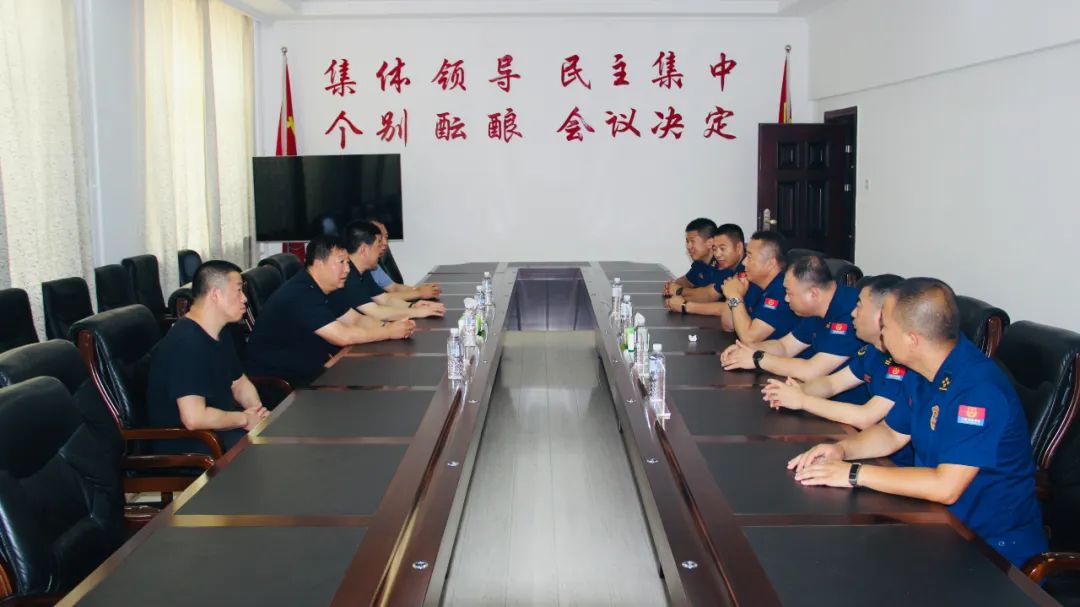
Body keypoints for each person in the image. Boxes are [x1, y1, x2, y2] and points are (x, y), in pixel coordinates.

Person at [788, 278, 1046, 568]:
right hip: (934, 522)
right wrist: (842, 450)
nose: (880, 333)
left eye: (885, 326)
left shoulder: (977, 391)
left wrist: (854, 473)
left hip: (988, 550)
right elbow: (890, 433)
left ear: (912, 339)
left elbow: (945, 487)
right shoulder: (923, 368)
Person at [762, 274, 916, 465]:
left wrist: (803, 401)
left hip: (890, 463)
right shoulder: (873, 350)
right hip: (861, 446)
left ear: (882, 316)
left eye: (859, 306)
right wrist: (796, 391)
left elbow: (866, 417)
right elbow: (832, 383)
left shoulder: (904, 362)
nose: (853, 313)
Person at [244, 234, 415, 386]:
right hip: (280, 381)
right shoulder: (300, 293)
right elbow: (342, 336)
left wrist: (390, 327)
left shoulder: (327, 287)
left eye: (347, 262)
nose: (347, 269)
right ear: (319, 264)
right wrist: (389, 333)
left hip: (314, 364)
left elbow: (356, 319)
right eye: (341, 262)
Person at [147, 260, 269, 454]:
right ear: (215, 294)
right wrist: (245, 419)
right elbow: (194, 418)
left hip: (217, 429)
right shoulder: (187, 342)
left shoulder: (220, 331)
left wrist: (258, 413)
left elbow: (239, 383)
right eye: (238, 291)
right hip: (188, 441)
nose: (244, 299)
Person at [720, 255, 868, 402]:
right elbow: (785, 346)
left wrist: (757, 358)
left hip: (844, 406)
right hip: (813, 396)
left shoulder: (851, 313)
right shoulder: (816, 307)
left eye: (789, 293)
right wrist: (749, 349)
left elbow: (812, 370)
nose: (786, 299)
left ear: (813, 293)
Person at [333, 221, 447, 320]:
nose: (381, 249)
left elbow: (385, 299)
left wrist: (412, 306)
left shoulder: (364, 271)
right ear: (364, 249)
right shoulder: (348, 275)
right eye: (378, 244)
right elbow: (376, 312)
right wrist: (416, 312)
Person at [665, 223, 747, 313]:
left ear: (739, 247)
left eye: (722, 249)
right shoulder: (729, 265)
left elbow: (726, 306)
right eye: (715, 249)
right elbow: (730, 306)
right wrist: (674, 291)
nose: (717, 254)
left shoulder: (745, 269)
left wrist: (684, 304)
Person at [368, 219, 441, 301]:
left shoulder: (374, 266)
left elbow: (394, 288)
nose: (385, 243)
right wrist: (419, 293)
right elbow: (381, 300)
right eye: (380, 239)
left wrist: (419, 289)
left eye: (386, 237)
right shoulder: (361, 270)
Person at [662, 218, 717, 301]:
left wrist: (679, 291)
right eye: (687, 241)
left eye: (692, 241)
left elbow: (709, 295)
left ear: (710, 243)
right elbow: (687, 281)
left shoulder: (723, 263)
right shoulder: (700, 262)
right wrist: (671, 286)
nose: (688, 246)